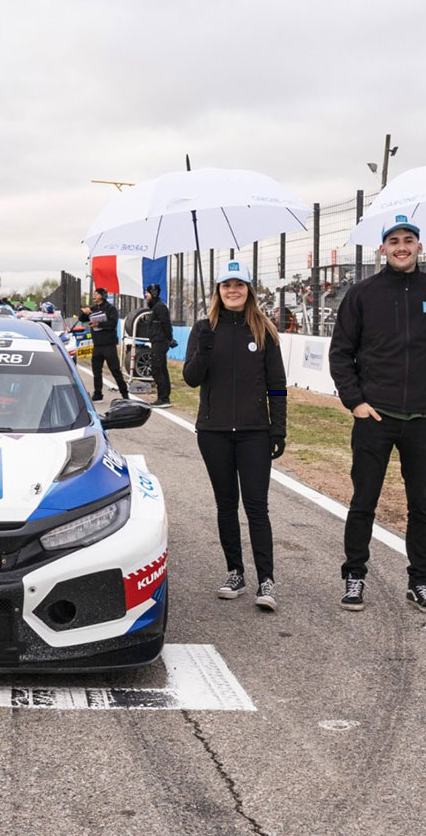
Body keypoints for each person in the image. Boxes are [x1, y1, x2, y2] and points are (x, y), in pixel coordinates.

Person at [329, 217, 426, 614]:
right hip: (375, 417)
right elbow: (340, 354)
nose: (402, 246)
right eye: (394, 241)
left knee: (422, 506)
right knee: (364, 500)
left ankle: (420, 581)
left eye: (409, 240)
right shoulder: (362, 294)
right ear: (382, 249)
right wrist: (356, 402)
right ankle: (355, 576)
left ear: (420, 246)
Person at [183, 261, 287, 612]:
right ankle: (235, 572)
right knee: (226, 505)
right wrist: (205, 349)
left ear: (249, 290)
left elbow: (277, 387)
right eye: (226, 285)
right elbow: (191, 378)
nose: (232, 291)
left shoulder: (264, 330)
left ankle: (267, 580)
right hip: (213, 433)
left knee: (257, 506)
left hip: (254, 433)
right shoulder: (203, 329)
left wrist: (278, 429)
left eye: (239, 285)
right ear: (218, 291)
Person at [78, 288, 127, 402]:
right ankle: (98, 393)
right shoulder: (93, 308)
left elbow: (112, 323)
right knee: (96, 370)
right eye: (94, 294)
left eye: (96, 294)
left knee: (115, 370)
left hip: (109, 345)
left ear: (102, 296)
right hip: (97, 344)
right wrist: (85, 312)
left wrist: (98, 323)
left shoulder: (111, 309)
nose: (94, 296)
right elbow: (82, 319)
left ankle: (125, 394)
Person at [144, 283, 174, 407]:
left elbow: (166, 324)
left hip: (160, 342)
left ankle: (163, 398)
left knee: (157, 369)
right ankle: (164, 396)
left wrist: (169, 339)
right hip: (157, 341)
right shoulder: (155, 307)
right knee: (161, 368)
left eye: (148, 293)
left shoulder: (160, 307)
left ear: (154, 293)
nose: (146, 295)